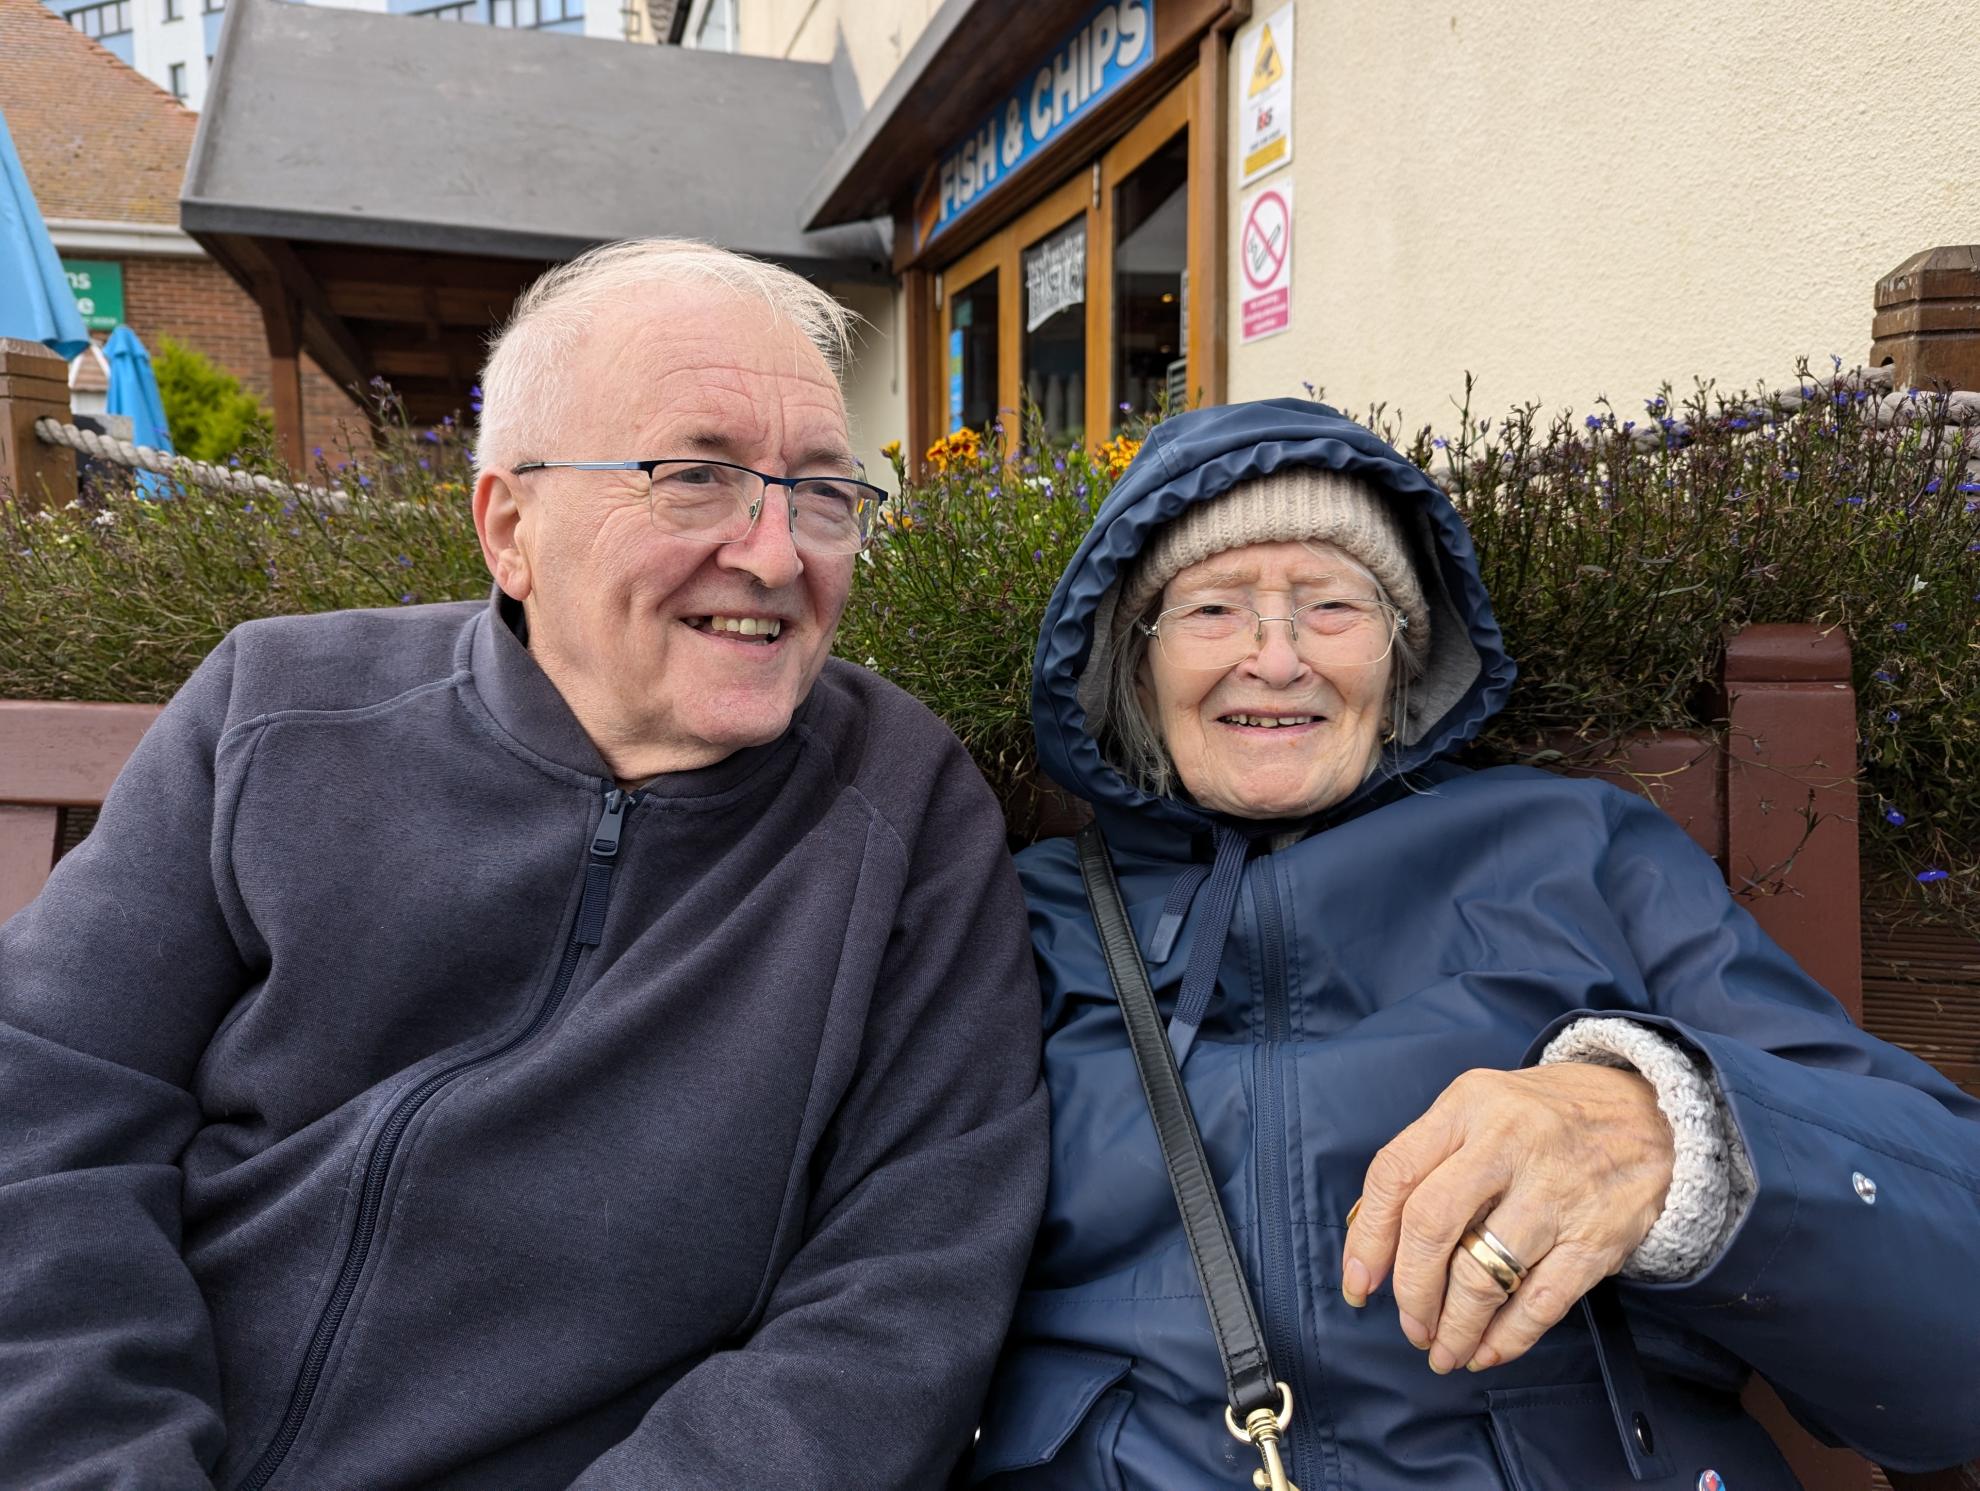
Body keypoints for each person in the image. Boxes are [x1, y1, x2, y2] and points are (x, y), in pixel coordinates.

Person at [0, 239, 1047, 1490]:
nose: (778, 556)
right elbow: (46, 1119)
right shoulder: (278, 709)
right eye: (696, 477)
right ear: (511, 526)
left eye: (822, 492)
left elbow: (901, 1298)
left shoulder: (901, 807)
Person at [969, 398, 1980, 1489]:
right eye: (1214, 608)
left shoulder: (1575, 850)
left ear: (1403, 659)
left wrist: (1670, 1135)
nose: (1276, 658)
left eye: (1333, 606)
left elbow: (1952, 1317)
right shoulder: (1028, 914)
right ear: (1136, 663)